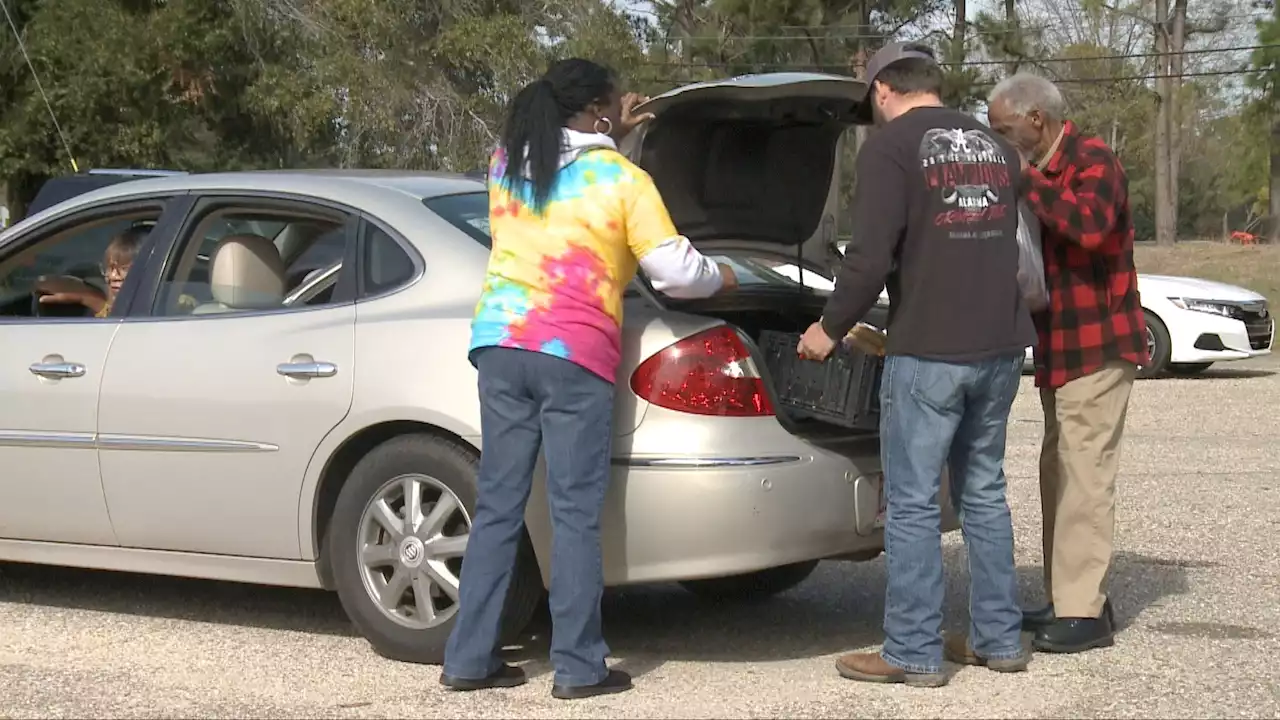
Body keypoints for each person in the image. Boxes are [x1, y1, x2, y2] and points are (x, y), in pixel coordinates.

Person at [439, 58, 738, 699]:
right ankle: (578, 667)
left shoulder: (508, 164)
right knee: (574, 513)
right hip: (573, 353)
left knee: (497, 504)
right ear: (600, 109)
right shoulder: (624, 180)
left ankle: (468, 659)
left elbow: (573, 182)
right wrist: (725, 277)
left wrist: (614, 133)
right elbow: (675, 273)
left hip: (500, 342)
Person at [796, 42, 1035, 687]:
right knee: (984, 492)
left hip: (930, 349)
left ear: (882, 92)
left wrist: (828, 328)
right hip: (1000, 347)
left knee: (911, 502)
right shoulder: (994, 147)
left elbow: (870, 257)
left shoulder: (892, 147)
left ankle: (911, 650)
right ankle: (999, 638)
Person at [987, 73, 1146, 654]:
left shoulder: (1092, 159)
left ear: (1037, 120)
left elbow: (1089, 227)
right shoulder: (1042, 168)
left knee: (1084, 475)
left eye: (1002, 129)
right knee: (1058, 473)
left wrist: (1025, 181)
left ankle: (1085, 612)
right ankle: (1067, 597)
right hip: (1060, 348)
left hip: (1099, 346)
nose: (997, 139)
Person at [36, 225, 148, 317]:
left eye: (123, 269)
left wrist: (89, 299)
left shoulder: (150, 308)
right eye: (109, 268)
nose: (113, 276)